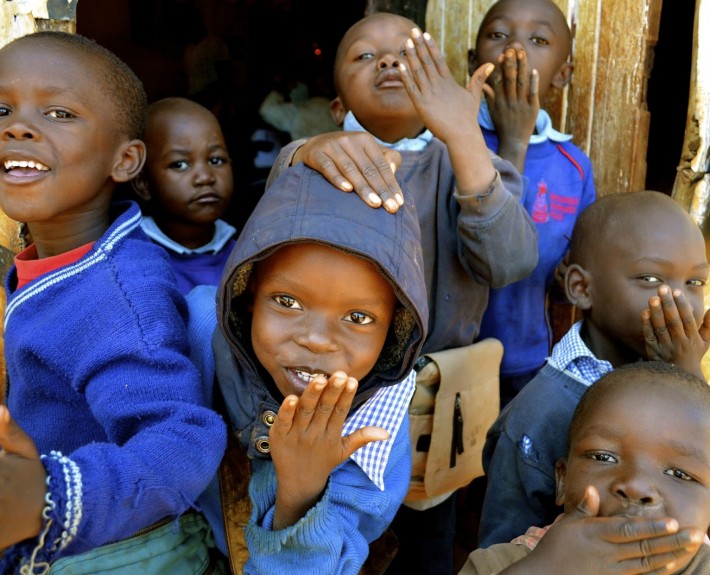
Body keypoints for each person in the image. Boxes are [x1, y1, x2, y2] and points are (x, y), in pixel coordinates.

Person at [264, 13, 539, 574]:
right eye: (365, 56)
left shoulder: (462, 162)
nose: (389, 62)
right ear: (338, 107)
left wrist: (464, 137)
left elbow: (509, 261)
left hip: (434, 408)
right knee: (334, 527)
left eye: (409, 56)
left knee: (427, 546)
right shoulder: (313, 156)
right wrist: (304, 152)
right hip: (333, 397)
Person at [0, 31, 227, 573]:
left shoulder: (116, 293)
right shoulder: (59, 258)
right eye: (2, 107)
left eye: (58, 112)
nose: (18, 126)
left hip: (120, 553)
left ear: (125, 161)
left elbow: (183, 439)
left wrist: (48, 498)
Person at [190, 161, 429, 574]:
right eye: (287, 302)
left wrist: (302, 490)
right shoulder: (197, 330)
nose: (316, 339)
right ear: (247, 295)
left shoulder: (376, 433)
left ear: (393, 333)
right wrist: (304, 153)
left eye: (358, 318)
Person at [478, 190, 710, 548]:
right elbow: (501, 556)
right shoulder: (537, 417)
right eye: (651, 279)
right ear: (582, 288)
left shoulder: (683, 374)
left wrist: (687, 377)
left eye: (694, 283)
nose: (679, 300)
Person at [460, 360, 710, 574]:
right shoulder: (502, 564)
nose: (635, 485)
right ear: (562, 480)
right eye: (604, 457)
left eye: (679, 474)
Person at [472, 0, 596, 407]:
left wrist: (565, 283)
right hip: (449, 359)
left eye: (538, 39)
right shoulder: (450, 146)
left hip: (530, 361)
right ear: (474, 61)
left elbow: (571, 278)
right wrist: (512, 143)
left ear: (562, 75)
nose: (515, 50)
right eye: (498, 35)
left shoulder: (573, 168)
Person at [133, 96, 236, 295]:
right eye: (180, 164)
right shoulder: (133, 257)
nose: (205, 177)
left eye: (216, 160)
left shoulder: (245, 253)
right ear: (143, 183)